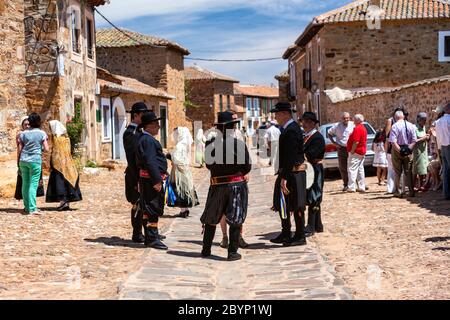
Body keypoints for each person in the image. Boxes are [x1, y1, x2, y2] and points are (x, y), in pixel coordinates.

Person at [200, 111, 251, 261]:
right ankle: (232, 252)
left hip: (217, 185)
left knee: (211, 217)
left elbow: (208, 165)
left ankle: (206, 249)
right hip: (236, 185)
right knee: (235, 217)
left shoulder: (210, 144)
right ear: (232, 127)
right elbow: (247, 166)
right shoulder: (238, 144)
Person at [270, 103, 307, 247]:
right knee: (283, 203)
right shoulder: (288, 128)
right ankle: (286, 233)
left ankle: (300, 235)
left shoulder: (291, 130)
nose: (275, 116)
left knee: (296, 204)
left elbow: (290, 156)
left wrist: (284, 177)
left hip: (293, 173)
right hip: (288, 172)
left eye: (277, 113)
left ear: (286, 113)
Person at [136, 112, 169, 249]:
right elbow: (150, 162)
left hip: (147, 179)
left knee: (148, 208)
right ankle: (151, 237)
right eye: (156, 125)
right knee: (152, 208)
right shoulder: (148, 140)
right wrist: (156, 180)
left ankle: (151, 236)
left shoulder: (145, 139)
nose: (159, 128)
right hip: (151, 180)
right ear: (149, 126)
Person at [218, 112, 249, 249]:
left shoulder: (213, 141)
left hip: (223, 181)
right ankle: (228, 238)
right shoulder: (233, 141)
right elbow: (246, 164)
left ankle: (235, 237)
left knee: (231, 209)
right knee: (233, 210)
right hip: (234, 181)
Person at [123, 102, 150, 243]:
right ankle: (137, 233)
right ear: (136, 115)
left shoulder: (139, 132)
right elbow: (133, 159)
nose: (145, 117)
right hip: (135, 175)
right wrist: (138, 179)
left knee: (143, 203)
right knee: (138, 204)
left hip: (140, 174)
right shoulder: (131, 133)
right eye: (143, 114)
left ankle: (144, 232)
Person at [45, 120, 82, 210]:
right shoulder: (66, 137)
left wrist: (51, 163)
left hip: (58, 164)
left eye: (51, 127)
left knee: (60, 184)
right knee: (67, 183)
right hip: (68, 163)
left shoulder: (57, 138)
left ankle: (63, 202)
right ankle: (66, 203)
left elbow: (56, 152)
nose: (50, 129)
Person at [17, 113, 49, 215]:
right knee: (33, 184)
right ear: (39, 122)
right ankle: (32, 208)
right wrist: (40, 148)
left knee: (25, 183)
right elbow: (47, 149)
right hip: (35, 160)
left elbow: (20, 149)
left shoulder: (23, 134)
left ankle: (27, 207)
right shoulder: (42, 133)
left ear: (29, 122)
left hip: (23, 160)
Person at [300, 112, 325, 237]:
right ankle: (318, 224)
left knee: (314, 196)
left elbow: (312, 154)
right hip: (309, 168)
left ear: (312, 123)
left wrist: (302, 153)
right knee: (312, 195)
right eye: (303, 121)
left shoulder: (317, 137)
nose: (303, 124)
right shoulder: (306, 136)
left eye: (306, 121)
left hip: (315, 168)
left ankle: (311, 225)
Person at [168, 127, 199, 218]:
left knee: (179, 189)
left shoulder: (179, 146)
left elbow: (176, 159)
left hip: (179, 171)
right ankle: (185, 209)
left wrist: (169, 156)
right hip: (185, 170)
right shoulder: (185, 145)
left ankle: (183, 210)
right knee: (185, 189)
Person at [15, 117, 45, 201]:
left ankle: (29, 205)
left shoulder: (30, 134)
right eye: (25, 124)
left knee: (31, 183)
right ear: (22, 126)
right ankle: (30, 206)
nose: (27, 126)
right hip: (26, 160)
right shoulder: (21, 134)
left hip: (31, 160)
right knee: (28, 183)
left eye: (28, 124)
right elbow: (19, 150)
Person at [389, 110, 417, 198]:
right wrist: (408, 150)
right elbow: (414, 140)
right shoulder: (411, 125)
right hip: (408, 148)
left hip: (398, 149)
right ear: (403, 116)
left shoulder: (394, 126)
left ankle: (400, 191)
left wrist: (400, 150)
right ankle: (411, 191)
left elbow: (393, 141)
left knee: (398, 171)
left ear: (395, 117)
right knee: (408, 171)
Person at [327, 112, 355, 192]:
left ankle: (355, 183)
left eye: (347, 118)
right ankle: (346, 184)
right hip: (341, 148)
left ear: (349, 118)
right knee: (343, 167)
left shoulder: (353, 124)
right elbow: (329, 133)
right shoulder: (337, 126)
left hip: (351, 148)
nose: (346, 119)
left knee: (353, 166)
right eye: (344, 118)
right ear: (341, 118)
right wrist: (334, 143)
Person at [385, 107, 409, 194]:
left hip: (396, 147)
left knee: (397, 170)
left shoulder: (400, 122)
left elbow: (387, 136)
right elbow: (387, 137)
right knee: (393, 169)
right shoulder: (391, 121)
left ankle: (397, 187)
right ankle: (392, 187)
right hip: (396, 148)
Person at [346, 114, 368, 193]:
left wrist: (352, 150)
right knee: (360, 169)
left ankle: (352, 187)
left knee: (352, 169)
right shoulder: (363, 128)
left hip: (356, 151)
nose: (352, 120)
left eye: (354, 119)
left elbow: (356, 141)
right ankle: (361, 186)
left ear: (357, 120)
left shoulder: (357, 128)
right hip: (361, 151)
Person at [435, 103, 450, 200]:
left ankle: (446, 193)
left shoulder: (438, 121)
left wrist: (439, 148)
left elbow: (438, 137)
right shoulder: (449, 120)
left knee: (446, 170)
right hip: (449, 145)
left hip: (442, 147)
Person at [413, 113, 430, 192]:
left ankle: (421, 185)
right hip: (417, 151)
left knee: (423, 169)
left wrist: (426, 137)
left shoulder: (423, 127)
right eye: (423, 120)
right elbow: (416, 139)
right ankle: (413, 186)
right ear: (419, 120)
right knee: (416, 169)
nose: (425, 122)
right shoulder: (415, 127)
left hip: (423, 151)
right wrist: (425, 137)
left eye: (425, 120)